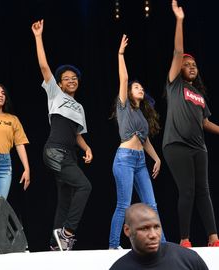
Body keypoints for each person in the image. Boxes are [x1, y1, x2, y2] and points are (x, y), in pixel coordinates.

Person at [31, 19, 92, 251]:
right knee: (85, 186)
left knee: (65, 200)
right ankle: (67, 233)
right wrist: (38, 37)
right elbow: (44, 67)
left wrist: (86, 148)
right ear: (59, 83)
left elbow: (76, 134)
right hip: (55, 151)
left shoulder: (80, 107)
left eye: (74, 78)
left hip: (70, 154)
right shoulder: (55, 94)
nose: (71, 80)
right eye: (67, 78)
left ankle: (55, 246)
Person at [162, 0, 219, 247]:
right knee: (187, 191)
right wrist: (179, 21)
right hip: (176, 145)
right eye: (187, 64)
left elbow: (206, 122)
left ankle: (214, 237)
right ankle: (185, 239)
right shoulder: (174, 84)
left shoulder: (199, 95)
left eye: (194, 64)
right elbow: (177, 52)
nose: (191, 66)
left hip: (199, 147)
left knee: (203, 191)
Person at [109, 34, 166, 250]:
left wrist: (157, 158)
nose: (140, 89)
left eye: (142, 87)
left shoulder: (141, 115)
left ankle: (162, 245)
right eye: (136, 87)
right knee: (124, 205)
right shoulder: (123, 107)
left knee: (152, 205)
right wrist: (120, 54)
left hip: (141, 160)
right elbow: (124, 79)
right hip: (124, 159)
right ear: (129, 93)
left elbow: (145, 140)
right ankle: (113, 246)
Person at [109, 203, 209, 270]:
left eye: (156, 227)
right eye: (144, 228)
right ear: (127, 230)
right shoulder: (119, 267)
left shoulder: (189, 259)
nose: (153, 235)